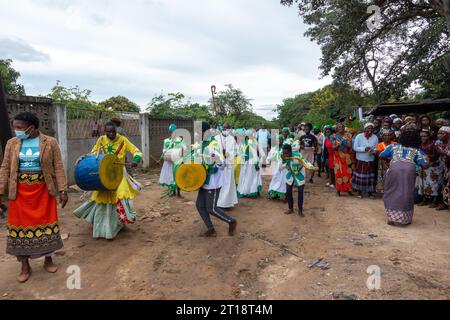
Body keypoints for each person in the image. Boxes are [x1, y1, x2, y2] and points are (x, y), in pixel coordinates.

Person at [0, 112, 68, 283]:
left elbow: (58, 167)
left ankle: (48, 259)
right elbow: (5, 168)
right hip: (19, 194)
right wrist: (0, 191)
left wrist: (63, 190)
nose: (17, 131)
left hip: (43, 192)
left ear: (32, 127)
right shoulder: (12, 143)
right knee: (19, 230)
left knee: (46, 226)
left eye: (20, 128)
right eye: (15, 127)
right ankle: (25, 265)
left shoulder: (50, 142)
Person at [74, 122, 143, 239]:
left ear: (116, 131)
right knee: (102, 200)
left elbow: (137, 151)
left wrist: (136, 160)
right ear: (104, 132)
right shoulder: (101, 140)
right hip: (104, 174)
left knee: (120, 198)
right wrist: (84, 157)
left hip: (120, 173)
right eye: (108, 132)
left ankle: (121, 224)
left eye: (113, 132)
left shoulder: (123, 140)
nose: (111, 134)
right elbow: (93, 153)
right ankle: (102, 227)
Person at [380, 129, 428, 226]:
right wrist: (427, 159)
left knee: (391, 191)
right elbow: (425, 165)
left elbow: (382, 155)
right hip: (409, 171)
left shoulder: (393, 146)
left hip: (394, 168)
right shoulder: (417, 151)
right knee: (406, 192)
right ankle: (404, 219)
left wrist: (389, 161)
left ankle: (391, 217)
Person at [195, 140, 237, 237]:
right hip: (203, 182)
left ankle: (231, 221)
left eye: (198, 133)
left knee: (211, 208)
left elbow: (222, 165)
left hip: (212, 184)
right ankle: (210, 228)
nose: (196, 135)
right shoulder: (200, 146)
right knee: (200, 205)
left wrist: (217, 159)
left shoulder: (213, 146)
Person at [281, 144, 317, 216]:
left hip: (299, 174)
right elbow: (282, 165)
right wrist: (283, 160)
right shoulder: (283, 156)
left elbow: (305, 162)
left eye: (287, 153)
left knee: (300, 191)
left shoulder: (298, 155)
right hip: (290, 175)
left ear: (290, 151)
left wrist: (312, 167)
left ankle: (300, 210)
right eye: (284, 153)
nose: (286, 154)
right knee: (288, 191)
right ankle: (290, 208)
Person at [417, 130, 443, 208]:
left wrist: (427, 159)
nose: (422, 138)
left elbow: (437, 155)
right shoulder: (419, 144)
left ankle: (434, 201)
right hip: (423, 166)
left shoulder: (433, 144)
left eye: (424, 136)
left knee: (433, 183)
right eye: (421, 136)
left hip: (433, 166)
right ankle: (425, 200)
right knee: (423, 183)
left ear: (428, 137)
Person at [352, 123, 379, 198]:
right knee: (360, 176)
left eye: (371, 129)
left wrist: (374, 151)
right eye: (368, 128)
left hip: (370, 159)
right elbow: (355, 147)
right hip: (361, 159)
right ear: (364, 129)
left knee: (369, 177)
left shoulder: (375, 137)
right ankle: (359, 192)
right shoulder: (359, 136)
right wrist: (364, 149)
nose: (370, 130)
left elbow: (376, 148)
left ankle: (370, 192)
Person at [215, 123, 238, 209]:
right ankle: (219, 202)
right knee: (219, 183)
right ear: (222, 128)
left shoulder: (232, 139)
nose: (225, 129)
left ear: (230, 129)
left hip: (229, 165)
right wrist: (220, 155)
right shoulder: (217, 138)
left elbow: (235, 152)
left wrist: (228, 154)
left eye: (227, 128)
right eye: (224, 128)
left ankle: (227, 203)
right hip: (220, 165)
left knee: (228, 183)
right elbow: (213, 150)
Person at [159, 124, 186, 197]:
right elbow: (184, 149)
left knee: (172, 176)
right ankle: (176, 193)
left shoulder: (167, 141)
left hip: (172, 161)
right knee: (174, 176)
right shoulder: (179, 140)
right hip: (174, 161)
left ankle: (175, 192)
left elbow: (164, 151)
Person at [237, 129, 263, 197]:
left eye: (252, 135)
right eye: (250, 135)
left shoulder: (253, 141)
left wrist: (256, 163)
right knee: (247, 176)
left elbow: (256, 152)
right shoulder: (244, 142)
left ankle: (254, 190)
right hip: (246, 162)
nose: (251, 136)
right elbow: (239, 152)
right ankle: (247, 190)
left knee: (253, 176)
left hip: (252, 162)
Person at [331, 123, 354, 196]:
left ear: (344, 128)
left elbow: (350, 146)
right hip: (338, 155)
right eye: (338, 127)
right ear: (336, 128)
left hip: (347, 156)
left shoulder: (348, 135)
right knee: (338, 172)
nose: (340, 128)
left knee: (348, 172)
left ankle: (349, 189)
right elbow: (333, 147)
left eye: (341, 127)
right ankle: (338, 190)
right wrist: (338, 145)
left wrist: (343, 143)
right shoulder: (333, 136)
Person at [376, 129, 396, 193]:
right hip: (382, 164)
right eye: (384, 135)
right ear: (382, 136)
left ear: (391, 136)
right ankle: (383, 190)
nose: (386, 137)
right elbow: (380, 154)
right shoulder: (380, 144)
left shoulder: (395, 144)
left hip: (393, 163)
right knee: (383, 176)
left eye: (388, 135)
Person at [435, 126, 450, 210]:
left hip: (448, 166)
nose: (440, 135)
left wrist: (445, 152)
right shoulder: (437, 143)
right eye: (439, 133)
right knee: (444, 185)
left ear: (448, 134)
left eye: (442, 133)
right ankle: (445, 203)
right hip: (442, 166)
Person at [267, 134, 287, 199]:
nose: (279, 141)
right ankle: (274, 192)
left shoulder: (285, 147)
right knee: (275, 178)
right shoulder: (274, 148)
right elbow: (269, 156)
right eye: (277, 139)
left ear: (282, 140)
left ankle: (282, 194)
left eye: (280, 139)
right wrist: (268, 161)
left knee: (282, 180)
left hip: (283, 166)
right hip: (275, 166)